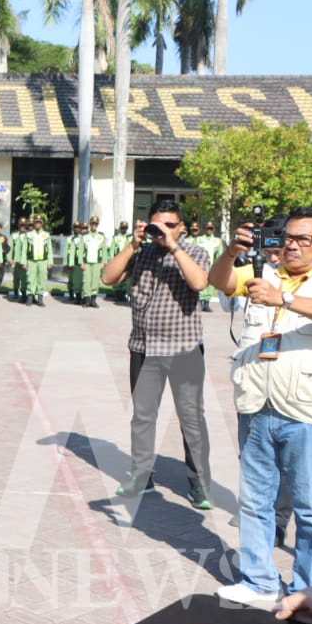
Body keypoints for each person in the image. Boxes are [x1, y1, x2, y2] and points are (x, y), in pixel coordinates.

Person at [207, 209, 312, 607]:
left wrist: (284, 298)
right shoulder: (262, 273)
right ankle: (258, 581)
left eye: (304, 239)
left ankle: (306, 591)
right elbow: (217, 281)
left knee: (309, 508)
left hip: (305, 413)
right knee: (254, 501)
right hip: (256, 405)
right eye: (289, 237)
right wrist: (232, 251)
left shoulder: (286, 287)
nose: (292, 244)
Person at [101, 200, 213, 507]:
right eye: (156, 225)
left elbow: (200, 282)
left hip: (183, 349)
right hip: (143, 347)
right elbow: (107, 278)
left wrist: (174, 247)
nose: (161, 231)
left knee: (191, 418)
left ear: (182, 227)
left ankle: (199, 483)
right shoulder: (142, 252)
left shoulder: (196, 251)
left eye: (170, 225)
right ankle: (141, 475)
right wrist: (133, 244)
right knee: (142, 416)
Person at [197, 221, 226, 312]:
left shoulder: (217, 241)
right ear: (204, 229)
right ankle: (201, 303)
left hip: (211, 265)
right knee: (201, 283)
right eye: (207, 228)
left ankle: (206, 304)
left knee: (210, 285)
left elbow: (219, 254)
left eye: (211, 228)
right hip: (200, 265)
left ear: (213, 229)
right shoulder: (199, 239)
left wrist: (218, 266)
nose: (209, 230)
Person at [80, 216, 108, 309]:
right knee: (86, 282)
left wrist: (104, 262)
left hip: (97, 263)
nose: (94, 225)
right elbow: (81, 251)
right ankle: (87, 301)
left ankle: (93, 301)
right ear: (90, 224)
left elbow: (104, 251)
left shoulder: (101, 237)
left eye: (95, 224)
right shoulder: (84, 237)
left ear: (97, 225)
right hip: (87, 263)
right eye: (92, 223)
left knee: (95, 281)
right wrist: (81, 263)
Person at [25, 215, 52, 307]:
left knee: (42, 279)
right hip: (31, 260)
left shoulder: (46, 235)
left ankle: (40, 299)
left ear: (42, 223)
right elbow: (25, 249)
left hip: (43, 261)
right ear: (34, 223)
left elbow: (50, 249)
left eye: (39, 222)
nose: (37, 224)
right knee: (30, 279)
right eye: (36, 222)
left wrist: (50, 261)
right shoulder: (28, 234)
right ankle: (30, 297)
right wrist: (24, 261)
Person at [107, 221, 133, 302]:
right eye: (122, 228)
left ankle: (123, 293)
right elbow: (111, 250)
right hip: (118, 260)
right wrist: (111, 260)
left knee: (125, 277)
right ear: (120, 228)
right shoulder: (116, 238)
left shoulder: (130, 237)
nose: (124, 229)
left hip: (127, 260)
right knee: (117, 276)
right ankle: (117, 293)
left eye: (125, 228)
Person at [10, 216, 30, 302]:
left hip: (25, 262)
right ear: (18, 225)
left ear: (26, 225)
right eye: (21, 224)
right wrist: (10, 259)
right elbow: (11, 248)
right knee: (16, 279)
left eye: (24, 225)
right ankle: (15, 293)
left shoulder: (29, 235)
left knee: (24, 279)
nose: (22, 226)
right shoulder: (14, 235)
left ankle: (24, 295)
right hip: (16, 261)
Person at [65, 221, 84, 304]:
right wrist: (67, 263)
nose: (77, 229)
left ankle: (79, 296)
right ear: (73, 229)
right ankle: (71, 294)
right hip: (71, 261)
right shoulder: (69, 238)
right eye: (75, 227)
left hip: (80, 261)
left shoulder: (83, 238)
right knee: (71, 279)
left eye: (78, 227)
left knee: (79, 280)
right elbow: (66, 251)